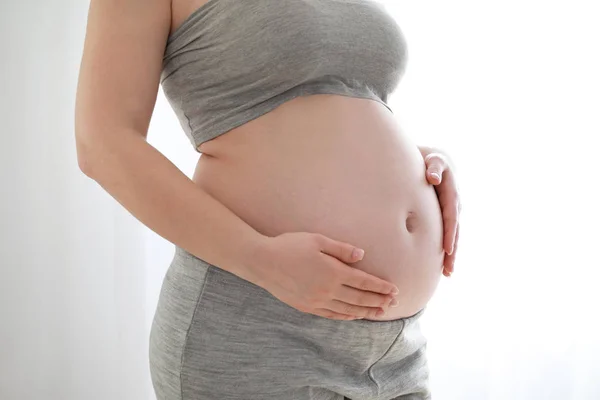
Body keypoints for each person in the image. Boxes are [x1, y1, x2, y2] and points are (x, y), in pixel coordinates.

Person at [74, 0, 461, 399]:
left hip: (397, 348)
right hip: (256, 325)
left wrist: (418, 162)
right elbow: (102, 142)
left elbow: (331, 111)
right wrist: (259, 258)